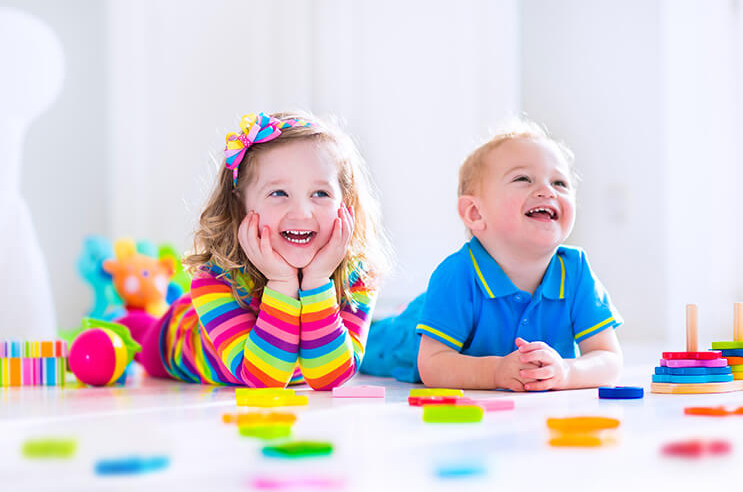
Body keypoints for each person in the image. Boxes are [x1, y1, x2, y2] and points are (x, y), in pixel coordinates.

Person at [120, 111, 390, 389]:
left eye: (320, 193)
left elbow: (330, 378)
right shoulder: (215, 280)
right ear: (240, 205)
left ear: (345, 203)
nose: (301, 212)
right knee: (136, 333)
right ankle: (125, 317)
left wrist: (318, 282)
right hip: (174, 340)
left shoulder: (359, 275)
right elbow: (263, 379)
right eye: (279, 193)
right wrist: (282, 282)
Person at [362, 119, 623, 391]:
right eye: (523, 178)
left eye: (560, 183)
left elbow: (609, 359)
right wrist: (495, 372)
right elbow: (433, 364)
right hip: (408, 333)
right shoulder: (457, 274)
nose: (547, 190)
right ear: (475, 213)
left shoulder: (576, 271)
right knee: (370, 343)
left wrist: (567, 372)